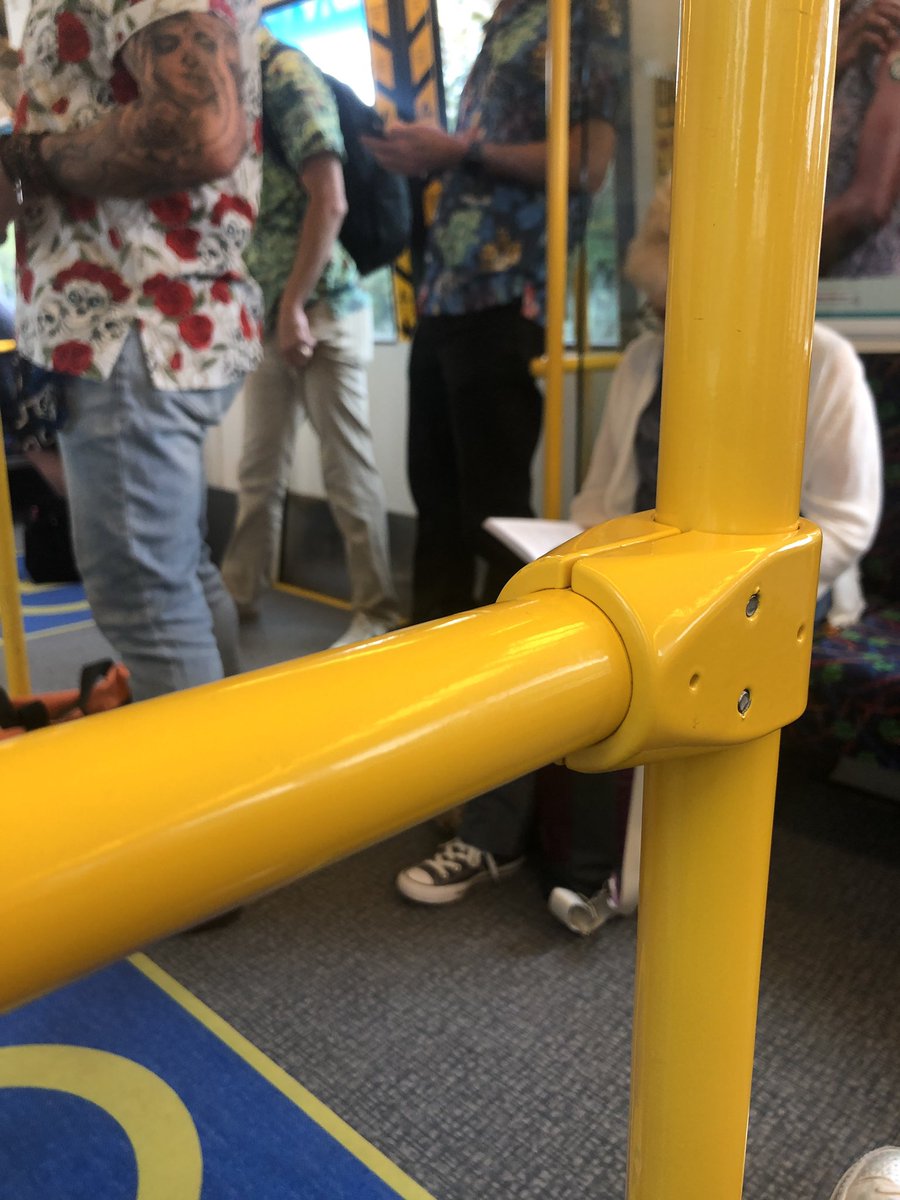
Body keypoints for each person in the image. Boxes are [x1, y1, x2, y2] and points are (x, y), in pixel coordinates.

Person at [395, 174, 883, 907]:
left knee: (613, 659)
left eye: (669, 303)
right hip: (640, 575)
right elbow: (600, 499)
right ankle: (497, 835)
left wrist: (710, 585)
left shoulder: (824, 364)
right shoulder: (643, 362)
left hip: (761, 596)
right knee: (516, 625)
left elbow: (845, 524)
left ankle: (589, 870)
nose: (656, 316)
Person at [0, 0, 263, 704]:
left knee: (145, 605)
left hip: (132, 326)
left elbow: (196, 130)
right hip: (150, 321)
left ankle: (213, 808)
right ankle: (250, 772)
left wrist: (24, 155)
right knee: (178, 575)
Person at [365, 0, 624, 624]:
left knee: (492, 502)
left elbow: (587, 164)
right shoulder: (506, 21)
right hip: (445, 292)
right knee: (435, 492)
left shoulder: (581, 15)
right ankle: (431, 657)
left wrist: (461, 153)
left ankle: (509, 669)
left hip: (507, 293)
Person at [221, 28, 402, 647]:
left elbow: (331, 201)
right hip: (274, 311)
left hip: (320, 306)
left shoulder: (288, 77)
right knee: (259, 467)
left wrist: (295, 303)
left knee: (344, 462)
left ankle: (378, 609)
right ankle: (238, 593)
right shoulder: (237, 87)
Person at [820, 0, 900, 276]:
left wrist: (763, 266)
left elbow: (866, 206)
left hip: (860, 297)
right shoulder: (824, 31)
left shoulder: (883, 23)